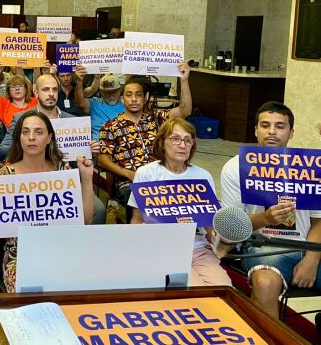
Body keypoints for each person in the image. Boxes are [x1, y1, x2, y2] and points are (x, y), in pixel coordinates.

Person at [221, 102, 321, 318]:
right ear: (256, 129)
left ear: (291, 132)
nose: (272, 132)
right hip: (264, 246)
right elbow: (231, 228)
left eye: (280, 126)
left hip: (309, 244)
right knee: (265, 282)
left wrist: (312, 259)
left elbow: (318, 222)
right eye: (265, 125)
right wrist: (265, 218)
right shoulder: (236, 167)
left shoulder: (309, 165)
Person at [0, 111, 95, 293]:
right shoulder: (6, 175)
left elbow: (85, 220)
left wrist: (87, 179)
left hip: (62, 249)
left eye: (38, 132)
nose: (31, 138)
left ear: (49, 138)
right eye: (25, 132)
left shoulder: (63, 170)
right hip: (21, 254)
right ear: (18, 137)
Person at [128, 118, 231, 286]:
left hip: (198, 248)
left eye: (187, 140)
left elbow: (209, 224)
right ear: (162, 142)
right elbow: (137, 221)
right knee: (196, 289)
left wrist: (219, 241)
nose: (182, 145)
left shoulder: (203, 176)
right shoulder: (146, 174)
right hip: (161, 249)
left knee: (224, 289)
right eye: (175, 139)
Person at [0, 73, 106, 223]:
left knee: (99, 210)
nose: (51, 94)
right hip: (31, 178)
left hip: (66, 180)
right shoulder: (22, 119)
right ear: (36, 92)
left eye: (55, 90)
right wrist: (32, 145)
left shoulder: (72, 121)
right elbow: (2, 150)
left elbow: (81, 162)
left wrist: (89, 151)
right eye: (46, 90)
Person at [98, 63, 192, 219]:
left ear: (145, 98)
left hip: (162, 177)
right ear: (122, 98)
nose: (134, 99)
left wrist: (184, 81)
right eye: (129, 95)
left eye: (138, 95)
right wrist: (127, 173)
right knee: (143, 203)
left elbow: (185, 110)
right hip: (129, 182)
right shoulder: (111, 126)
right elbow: (103, 159)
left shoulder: (157, 119)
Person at [75, 71, 125, 140]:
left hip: (122, 145)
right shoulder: (95, 103)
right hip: (98, 147)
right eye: (106, 92)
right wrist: (79, 81)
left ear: (120, 91)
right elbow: (80, 102)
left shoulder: (126, 104)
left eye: (114, 91)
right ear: (101, 92)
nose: (110, 95)